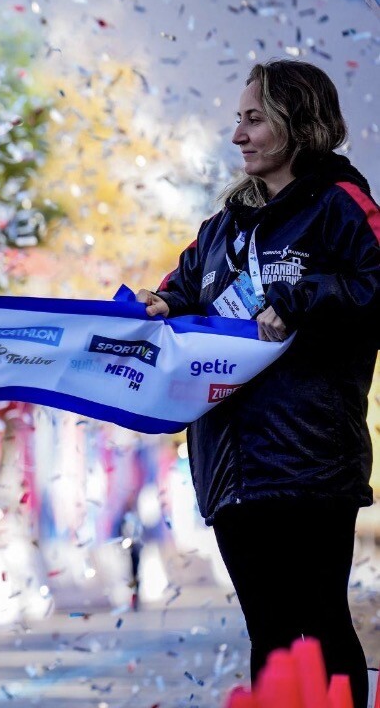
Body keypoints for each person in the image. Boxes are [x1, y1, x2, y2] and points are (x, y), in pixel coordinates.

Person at [134, 59, 377, 706]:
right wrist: (158, 304)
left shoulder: (340, 205)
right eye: (237, 120)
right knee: (268, 634)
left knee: (319, 626)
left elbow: (376, 284)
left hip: (310, 459)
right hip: (229, 466)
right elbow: (182, 291)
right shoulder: (222, 228)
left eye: (254, 119)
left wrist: (302, 298)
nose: (237, 135)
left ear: (299, 124)